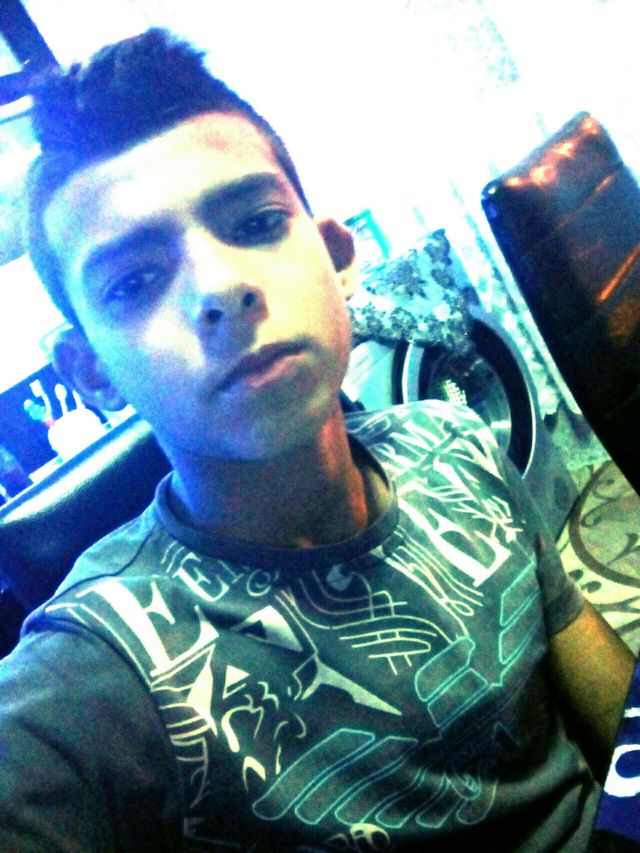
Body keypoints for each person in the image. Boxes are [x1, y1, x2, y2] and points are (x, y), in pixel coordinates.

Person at [0, 27, 634, 852]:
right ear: (92, 371)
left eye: (257, 221)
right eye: (135, 280)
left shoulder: (457, 446)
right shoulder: (96, 677)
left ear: (336, 258)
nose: (220, 287)